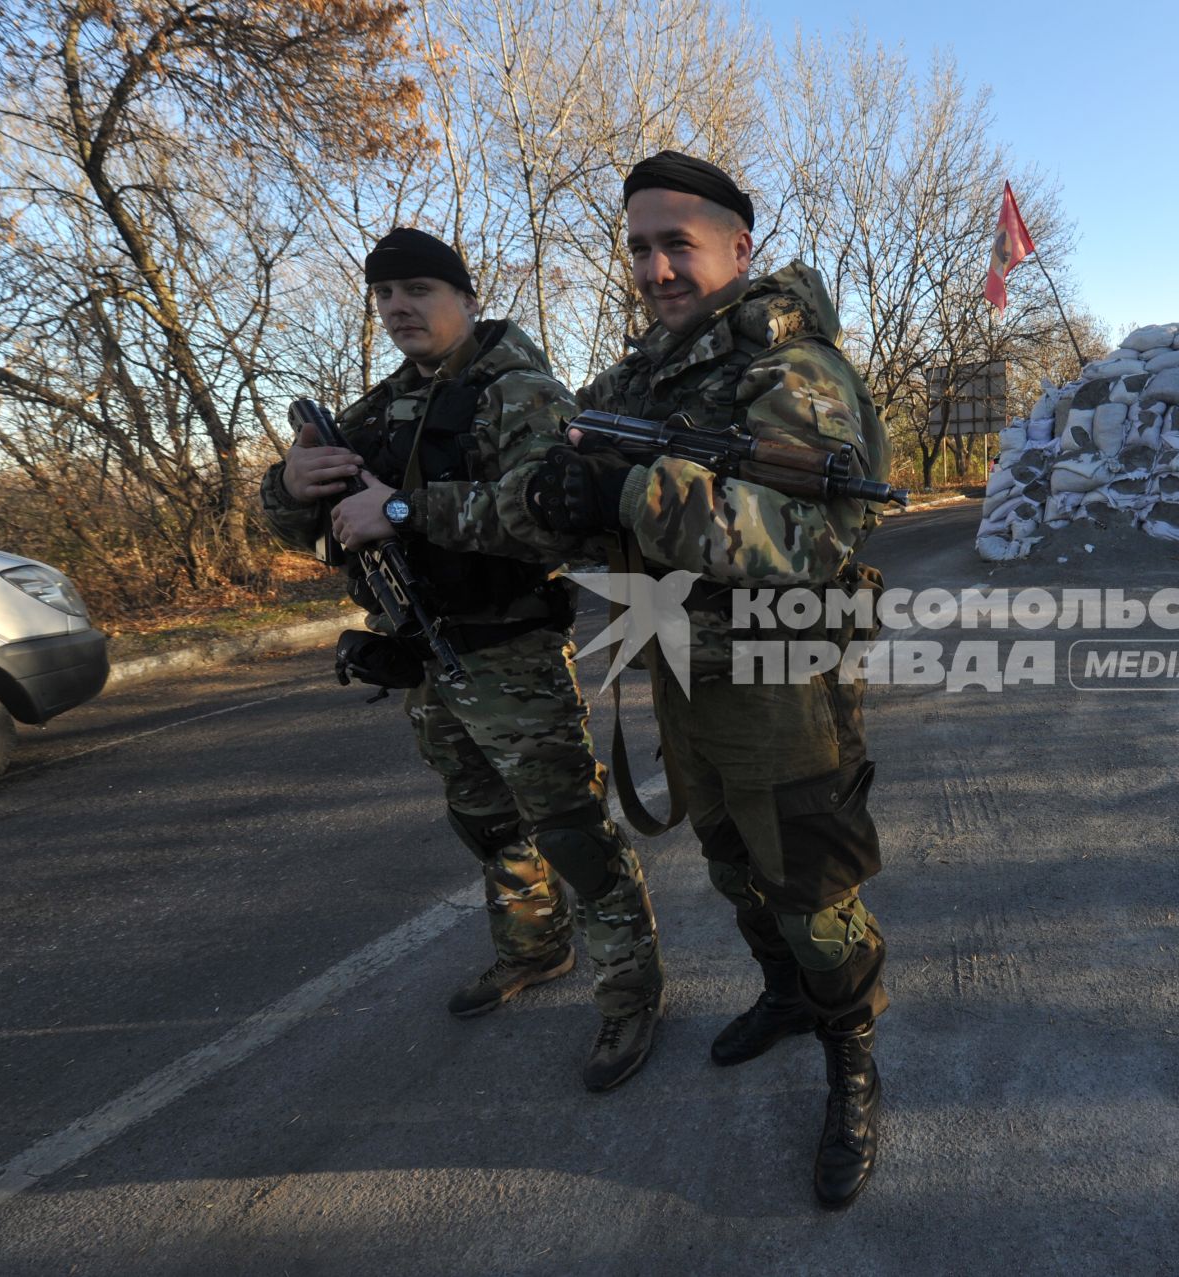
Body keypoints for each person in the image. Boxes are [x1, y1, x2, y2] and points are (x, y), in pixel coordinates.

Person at [513, 152, 891, 1208]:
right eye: (638, 245)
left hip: (779, 675)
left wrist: (632, 489)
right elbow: (562, 448)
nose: (656, 266)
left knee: (813, 889)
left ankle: (851, 1056)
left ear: (739, 245)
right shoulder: (650, 371)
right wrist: (560, 480)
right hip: (684, 663)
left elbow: (807, 538)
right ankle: (781, 995)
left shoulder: (795, 372)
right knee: (729, 858)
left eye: (677, 241)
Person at [258, 227, 665, 1092]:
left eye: (419, 290)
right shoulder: (385, 405)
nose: (400, 307)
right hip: (424, 651)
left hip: (511, 650)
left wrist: (402, 511)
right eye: (386, 296)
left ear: (465, 299)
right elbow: (306, 511)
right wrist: (286, 489)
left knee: (571, 831)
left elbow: (548, 516)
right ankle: (533, 947)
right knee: (486, 819)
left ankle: (630, 990)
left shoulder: (520, 392)